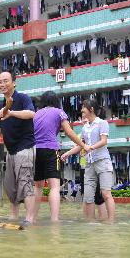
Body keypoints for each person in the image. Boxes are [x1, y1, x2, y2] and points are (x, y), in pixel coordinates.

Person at [0, 71, 36, 224]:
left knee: (25, 182)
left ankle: (30, 218)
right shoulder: (1, 105)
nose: (2, 84)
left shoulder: (22, 98)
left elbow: (31, 114)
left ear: (14, 82)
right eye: (0, 82)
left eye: (6, 81)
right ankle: (14, 216)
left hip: (25, 147)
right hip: (10, 150)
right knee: (10, 186)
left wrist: (11, 113)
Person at [32, 91, 88, 222]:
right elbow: (69, 132)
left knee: (37, 186)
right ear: (56, 102)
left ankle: (32, 218)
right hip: (51, 150)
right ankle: (54, 220)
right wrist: (83, 145)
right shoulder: (59, 112)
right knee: (55, 186)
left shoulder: (36, 114)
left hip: (35, 151)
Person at [62, 99, 116, 222]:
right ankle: (90, 223)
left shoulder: (102, 123)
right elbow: (81, 145)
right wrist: (67, 154)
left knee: (106, 194)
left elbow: (103, 141)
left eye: (83, 108)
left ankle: (111, 223)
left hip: (102, 161)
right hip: (89, 164)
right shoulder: (85, 128)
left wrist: (90, 147)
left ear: (91, 109)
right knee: (88, 197)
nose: (81, 110)